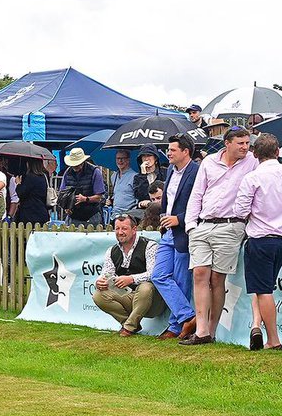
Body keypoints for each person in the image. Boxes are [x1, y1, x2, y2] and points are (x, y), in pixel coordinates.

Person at [233, 133, 282, 351]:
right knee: (264, 288)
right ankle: (258, 328)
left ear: (255, 154)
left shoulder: (252, 178)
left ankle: (274, 340)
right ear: (278, 152)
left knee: (263, 290)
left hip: (260, 239)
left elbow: (240, 210)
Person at [181, 127, 258, 346]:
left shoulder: (253, 162)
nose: (245, 147)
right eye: (240, 143)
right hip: (203, 225)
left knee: (217, 279)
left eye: (247, 143)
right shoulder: (209, 162)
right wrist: (190, 226)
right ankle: (202, 330)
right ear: (227, 143)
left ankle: (210, 331)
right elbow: (197, 194)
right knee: (199, 273)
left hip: (231, 225)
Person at [150, 133, 201, 340]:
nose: (168, 153)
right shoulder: (170, 169)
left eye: (172, 150)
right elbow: (168, 201)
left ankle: (175, 327)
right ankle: (187, 317)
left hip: (185, 232)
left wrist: (178, 220)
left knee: (181, 281)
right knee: (159, 275)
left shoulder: (197, 172)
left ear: (185, 152)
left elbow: (200, 202)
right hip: (168, 232)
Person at [92, 214, 165, 336]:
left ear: (134, 229)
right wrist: (100, 281)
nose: (120, 232)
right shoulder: (111, 251)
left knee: (146, 287)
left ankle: (129, 328)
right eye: (117, 228)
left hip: (153, 302)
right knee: (98, 295)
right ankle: (130, 324)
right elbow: (106, 273)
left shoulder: (150, 246)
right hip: (129, 297)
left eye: (124, 228)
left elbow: (153, 274)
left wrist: (131, 279)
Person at [60, 148, 106, 225]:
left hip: (92, 216)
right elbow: (62, 194)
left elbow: (99, 197)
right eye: (73, 165)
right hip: (72, 216)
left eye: (77, 165)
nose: (75, 167)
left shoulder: (95, 172)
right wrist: (66, 207)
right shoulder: (67, 173)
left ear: (82, 162)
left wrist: (85, 199)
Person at [13, 159, 51, 225]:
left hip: (30, 213)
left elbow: (21, 193)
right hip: (42, 212)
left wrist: (18, 184)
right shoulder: (44, 176)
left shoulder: (30, 177)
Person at [109, 149, 138, 214]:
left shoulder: (135, 176)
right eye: (118, 158)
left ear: (128, 160)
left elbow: (137, 198)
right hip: (115, 214)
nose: (120, 161)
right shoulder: (114, 176)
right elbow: (118, 194)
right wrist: (111, 200)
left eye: (123, 158)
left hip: (129, 214)